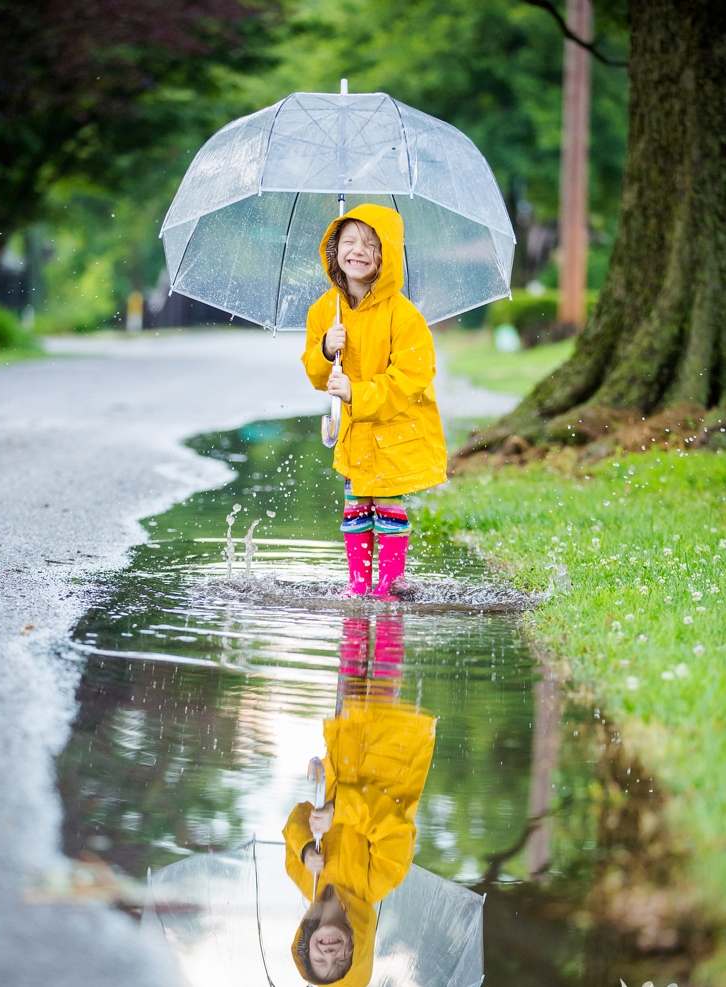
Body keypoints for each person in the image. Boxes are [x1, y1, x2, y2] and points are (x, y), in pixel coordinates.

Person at [301, 203, 447, 598]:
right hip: (354, 432)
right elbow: (316, 375)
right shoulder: (325, 311)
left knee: (386, 506)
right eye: (348, 242)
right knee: (355, 507)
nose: (358, 251)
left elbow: (412, 378)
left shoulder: (404, 316)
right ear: (334, 252)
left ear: (388, 255)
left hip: (395, 431)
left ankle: (387, 587)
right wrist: (326, 351)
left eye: (370, 244)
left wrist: (358, 392)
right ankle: (359, 587)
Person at [283, 695, 437, 986]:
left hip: (349, 740)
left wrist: (304, 847)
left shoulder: (305, 877)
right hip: (393, 745)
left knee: (354, 662)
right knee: (384, 664)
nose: (329, 954)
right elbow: (393, 827)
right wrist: (338, 810)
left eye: (320, 961)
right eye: (340, 962)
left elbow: (298, 817)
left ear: (306, 945)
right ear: (356, 948)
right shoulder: (379, 880)